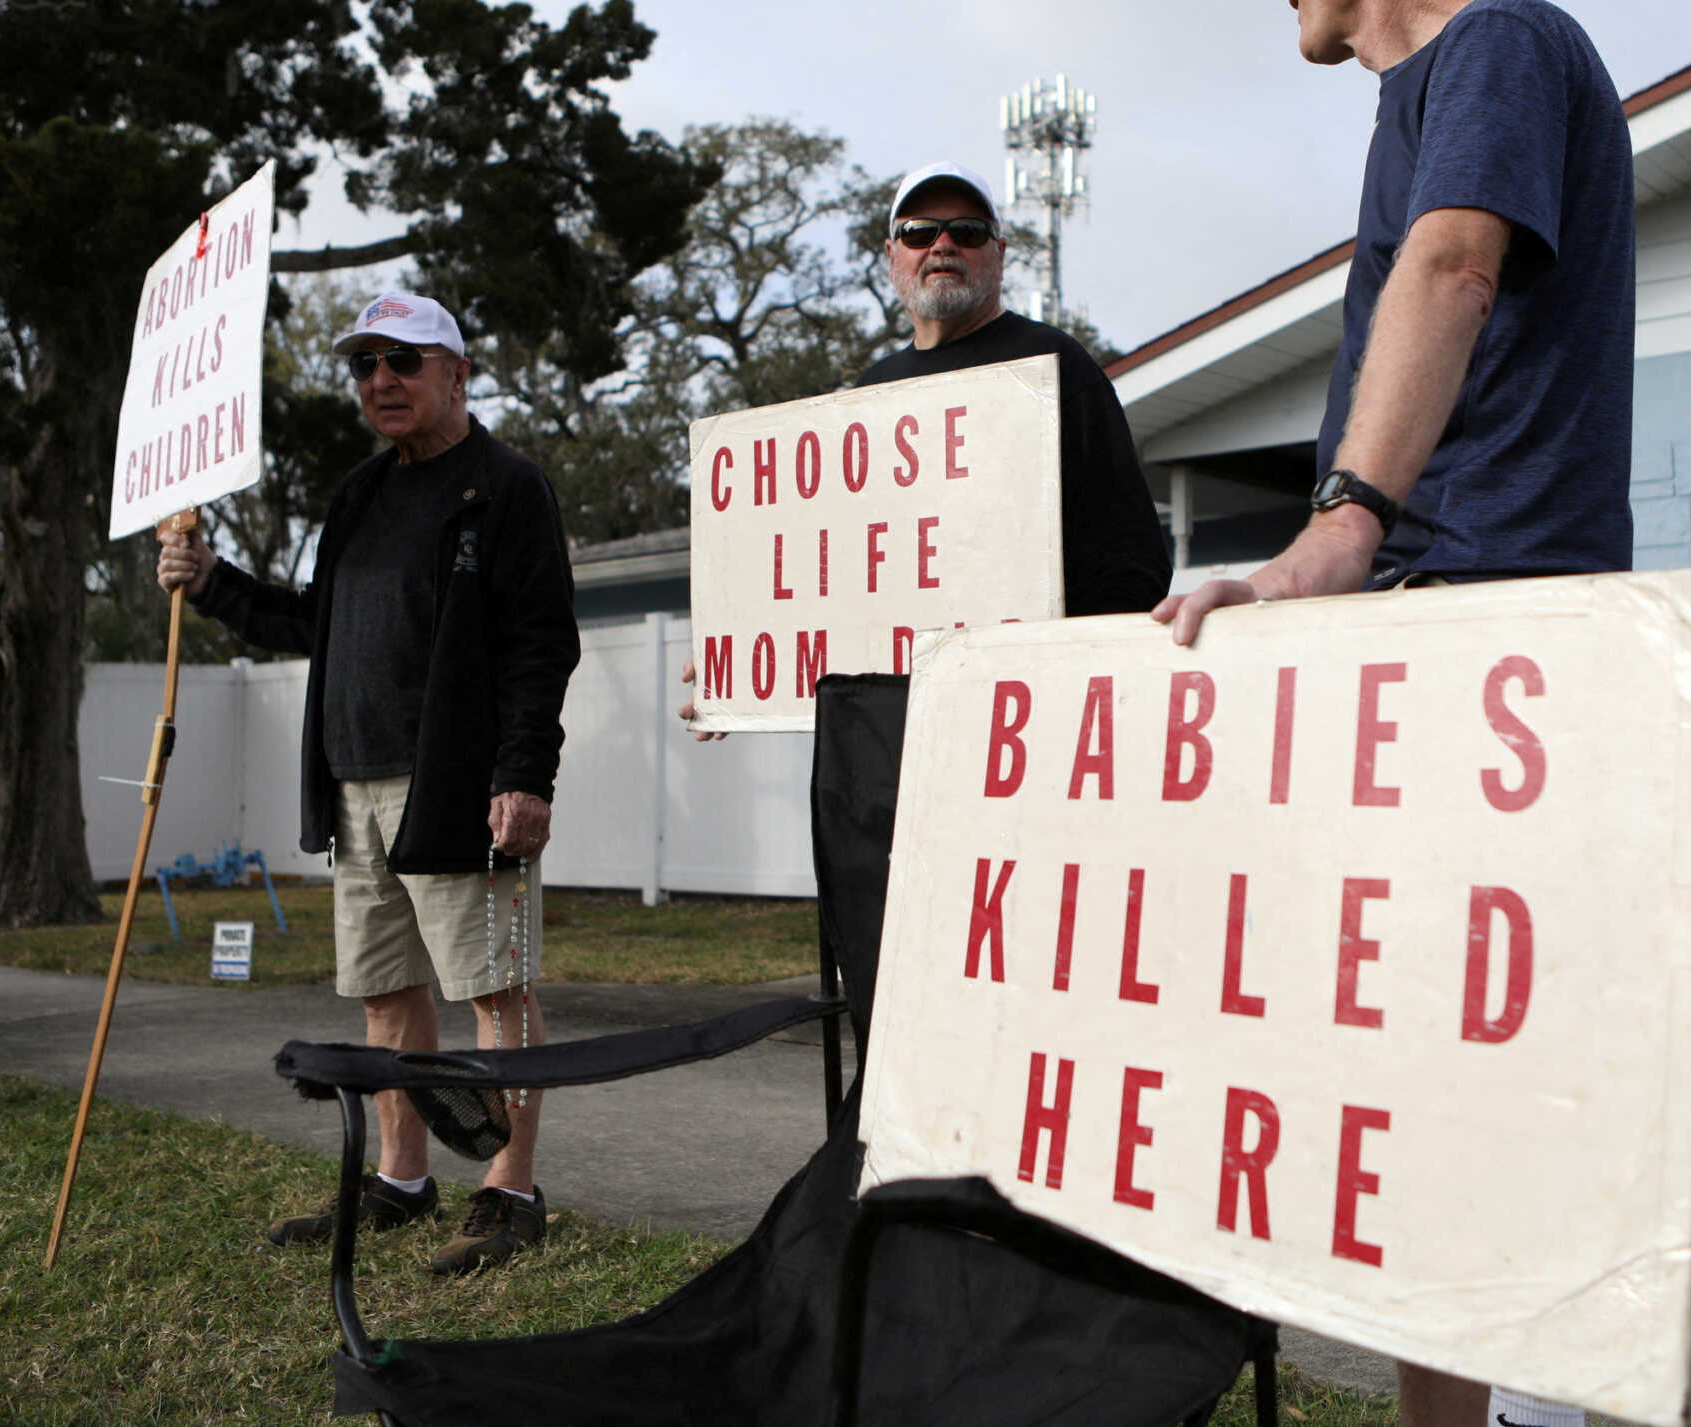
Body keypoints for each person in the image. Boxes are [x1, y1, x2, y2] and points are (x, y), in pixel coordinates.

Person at [1163, 0, 1637, 1427]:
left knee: (1504, 1080)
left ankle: (1553, 1403)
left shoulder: (1504, 43)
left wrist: (1336, 528)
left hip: (1493, 616)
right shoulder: (1405, 108)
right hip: (1439, 620)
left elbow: (1450, 267)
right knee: (1414, 1077)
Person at [156, 290, 580, 1276]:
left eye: (404, 361)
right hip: (352, 784)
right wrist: (213, 580)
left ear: (457, 372)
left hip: (458, 787)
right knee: (384, 994)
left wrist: (524, 774)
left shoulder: (505, 485)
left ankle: (508, 1190)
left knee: (494, 990)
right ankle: (401, 1180)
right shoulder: (358, 494)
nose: (380, 380)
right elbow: (317, 624)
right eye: (363, 365)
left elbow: (537, 645)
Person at [680, 161, 1170, 732]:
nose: (942, 245)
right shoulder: (868, 396)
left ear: (1000, 252)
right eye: (919, 233)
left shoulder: (1057, 368)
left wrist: (1058, 678)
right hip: (884, 740)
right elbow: (829, 573)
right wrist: (737, 677)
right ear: (892, 256)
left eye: (967, 232)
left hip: (1020, 725)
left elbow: (1133, 562)